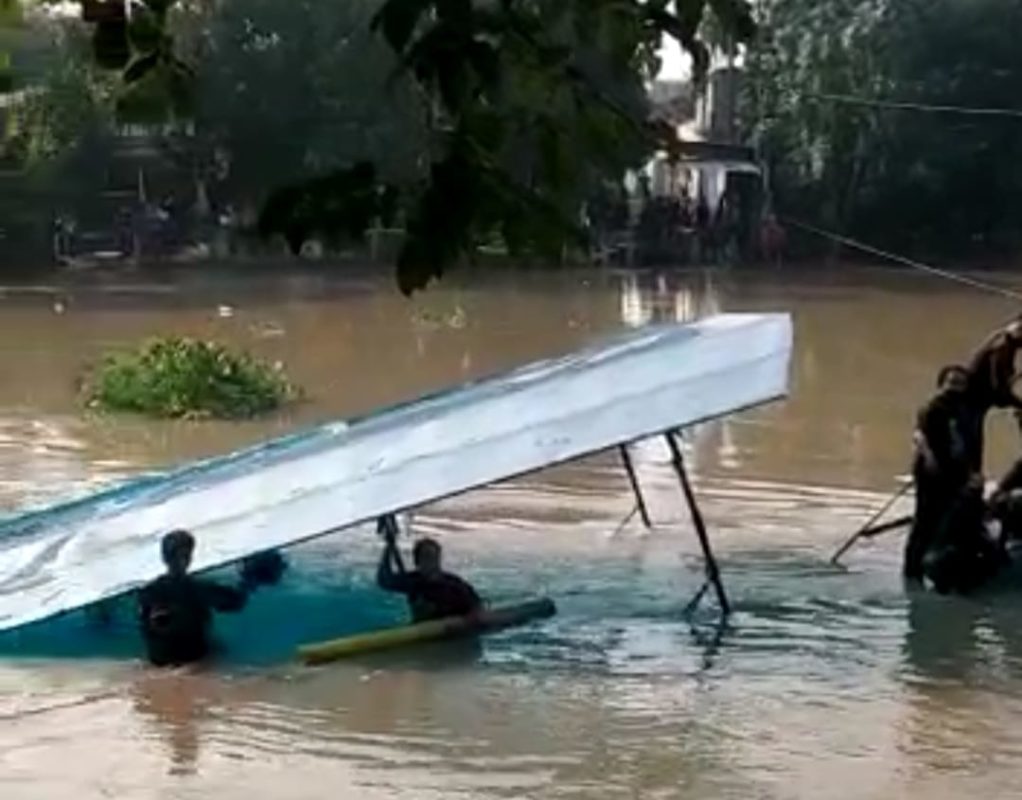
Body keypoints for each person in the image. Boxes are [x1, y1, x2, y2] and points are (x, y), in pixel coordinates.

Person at [137, 530, 286, 667]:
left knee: (219, 644)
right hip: (188, 660)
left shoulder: (150, 591)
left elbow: (234, 603)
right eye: (182, 555)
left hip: (171, 659)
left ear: (164, 557)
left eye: (185, 556)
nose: (183, 560)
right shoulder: (195, 588)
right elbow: (234, 602)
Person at [904, 365, 979, 581]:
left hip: (954, 472)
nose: (955, 387)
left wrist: (971, 472)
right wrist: (929, 459)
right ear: (942, 383)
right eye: (952, 382)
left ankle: (936, 566)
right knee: (924, 522)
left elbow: (966, 443)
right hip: (932, 473)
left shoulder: (962, 409)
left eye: (960, 383)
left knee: (945, 521)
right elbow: (920, 437)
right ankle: (912, 570)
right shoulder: (932, 408)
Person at [376, 517, 482, 623]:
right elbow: (383, 581)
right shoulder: (412, 582)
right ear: (417, 562)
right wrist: (389, 547)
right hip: (422, 628)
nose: (431, 562)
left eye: (434, 557)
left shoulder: (454, 585)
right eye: (427, 557)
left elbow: (477, 606)